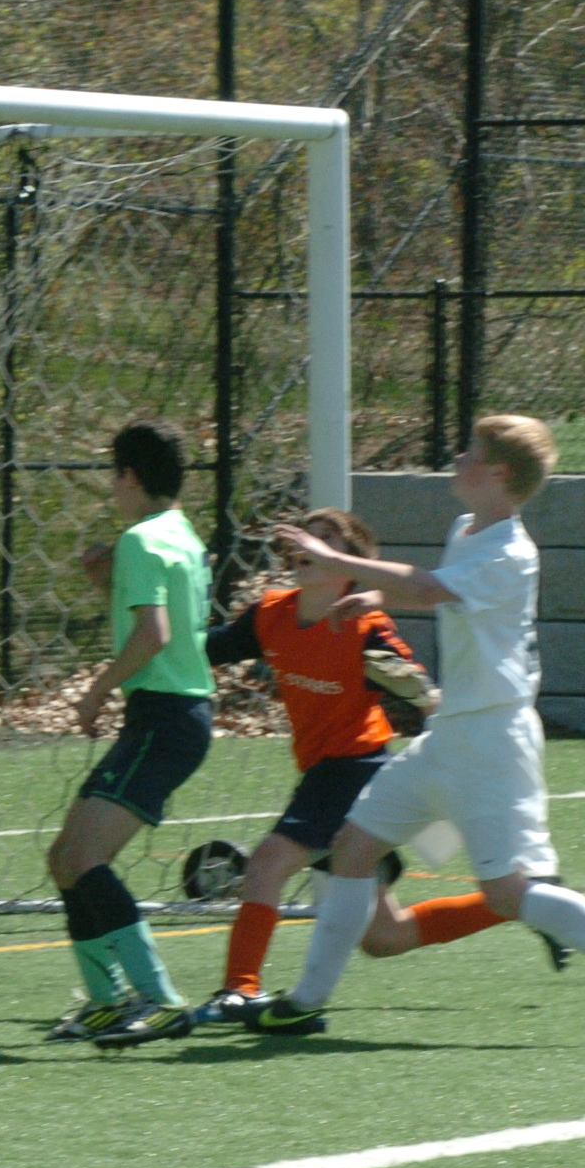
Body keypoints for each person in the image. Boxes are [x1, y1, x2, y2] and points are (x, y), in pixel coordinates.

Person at [243, 416, 585, 1035]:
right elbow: (441, 592)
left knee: (506, 895)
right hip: (449, 737)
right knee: (351, 851)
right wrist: (377, 596)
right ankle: (305, 1002)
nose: (457, 458)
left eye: (469, 452)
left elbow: (429, 589)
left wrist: (338, 560)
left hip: (492, 743)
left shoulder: (511, 552)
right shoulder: (466, 528)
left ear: (497, 473)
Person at [105, 509, 434, 1044]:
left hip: (356, 769)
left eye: (326, 539)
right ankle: (515, 903)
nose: (309, 546)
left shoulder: (367, 628)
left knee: (266, 864)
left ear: (350, 565)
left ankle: (239, 990)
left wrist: (418, 690)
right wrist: (124, 599)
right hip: (324, 771)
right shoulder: (271, 615)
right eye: (306, 537)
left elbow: (422, 692)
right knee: (384, 935)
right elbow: (196, 649)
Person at [46, 420, 213, 1046]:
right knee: (65, 859)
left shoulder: (141, 539)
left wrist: (95, 692)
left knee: (83, 858)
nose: (111, 488)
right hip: (172, 716)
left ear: (131, 476)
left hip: (165, 717)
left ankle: (160, 1000)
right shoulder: (182, 535)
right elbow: (165, 619)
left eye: (113, 475)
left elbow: (154, 635)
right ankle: (106, 1001)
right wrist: (109, 585)